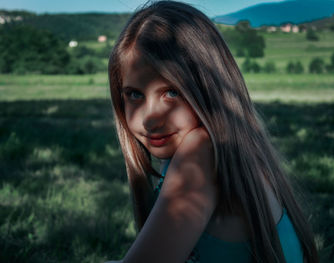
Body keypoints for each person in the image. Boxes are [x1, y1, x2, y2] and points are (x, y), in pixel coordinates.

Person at [107, 1, 319, 262]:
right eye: (134, 95)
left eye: (172, 92)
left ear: (209, 90)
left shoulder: (202, 152)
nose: (150, 119)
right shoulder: (235, 149)